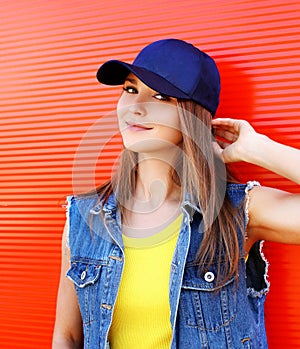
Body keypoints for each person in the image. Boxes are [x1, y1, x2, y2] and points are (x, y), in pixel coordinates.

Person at [52, 39, 300, 349]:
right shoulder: (86, 216)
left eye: (159, 96)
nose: (135, 107)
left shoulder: (236, 211)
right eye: (130, 90)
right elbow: (69, 336)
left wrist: (258, 149)